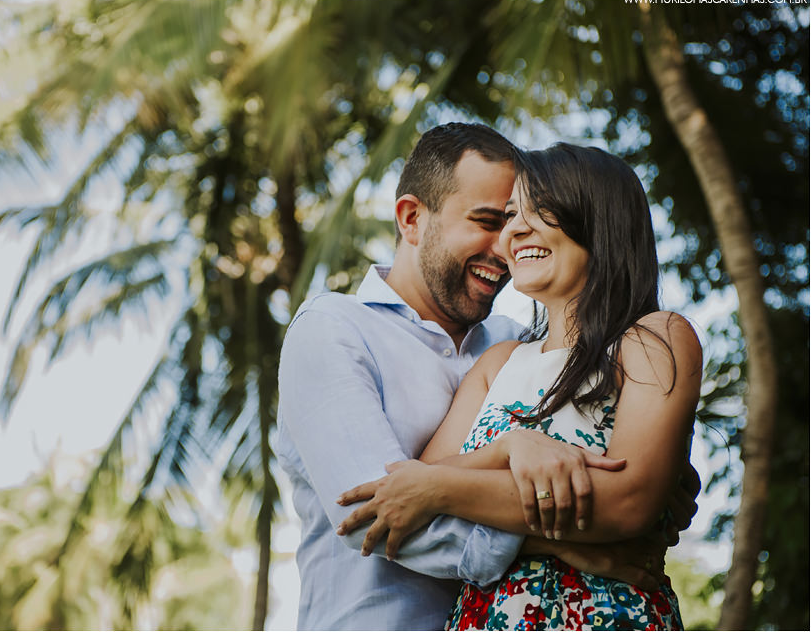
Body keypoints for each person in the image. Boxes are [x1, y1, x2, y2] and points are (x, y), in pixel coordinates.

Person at [277, 123, 698, 630]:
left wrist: (665, 484)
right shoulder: (334, 331)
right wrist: (570, 539)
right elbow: (377, 510)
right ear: (412, 219)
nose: (505, 244)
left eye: (519, 216)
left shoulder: (511, 341)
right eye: (489, 220)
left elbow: (637, 484)